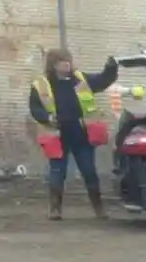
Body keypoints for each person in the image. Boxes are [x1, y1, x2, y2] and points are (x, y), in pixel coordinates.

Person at [28, 48, 119, 220]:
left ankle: (99, 209)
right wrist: (47, 117)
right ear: (54, 65)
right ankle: (55, 209)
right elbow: (34, 108)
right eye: (63, 62)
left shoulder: (81, 79)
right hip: (57, 135)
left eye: (68, 61)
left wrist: (111, 67)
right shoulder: (40, 85)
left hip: (81, 135)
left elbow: (104, 80)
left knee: (89, 171)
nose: (67, 65)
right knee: (57, 172)